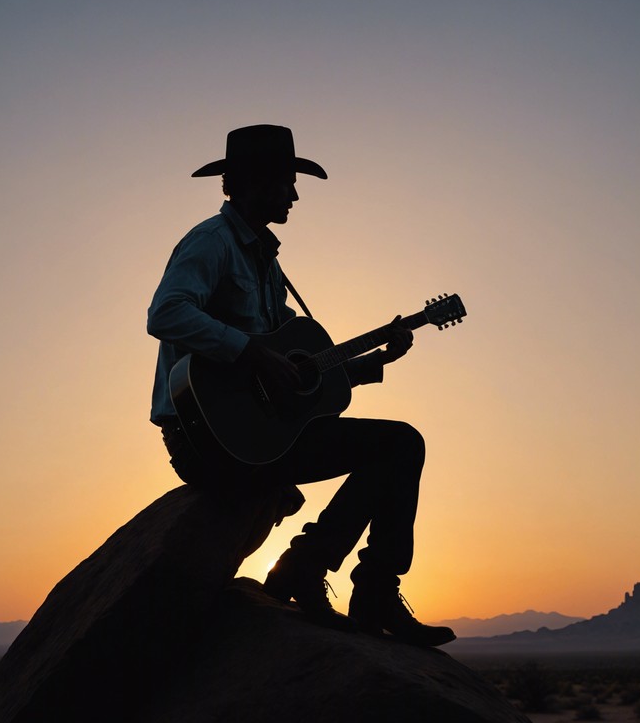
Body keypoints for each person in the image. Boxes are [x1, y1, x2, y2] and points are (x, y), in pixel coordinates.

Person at [147, 124, 455, 647]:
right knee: (400, 445)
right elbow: (166, 313)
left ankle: (311, 569)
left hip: (255, 435)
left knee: (395, 447)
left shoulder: (268, 267)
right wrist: (251, 353)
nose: (294, 194)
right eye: (288, 181)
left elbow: (302, 372)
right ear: (255, 182)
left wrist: (376, 359)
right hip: (205, 439)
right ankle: (346, 582)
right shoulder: (212, 241)